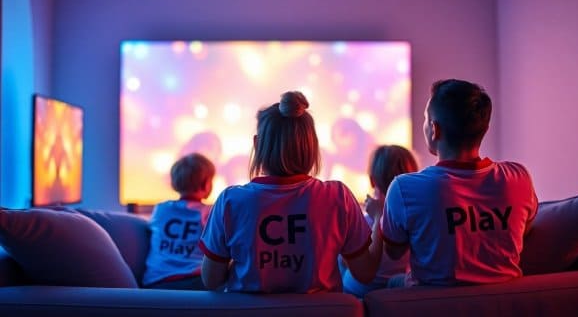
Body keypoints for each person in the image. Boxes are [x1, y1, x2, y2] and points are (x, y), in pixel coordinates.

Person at [199, 91, 382, 293]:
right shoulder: (339, 197)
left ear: (257, 145)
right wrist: (379, 217)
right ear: (312, 146)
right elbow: (365, 273)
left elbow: (211, 280)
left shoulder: (230, 201)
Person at [381, 79, 538, 287]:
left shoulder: (404, 188)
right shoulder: (519, 178)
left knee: (391, 283)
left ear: (434, 129)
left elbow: (394, 251)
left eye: (426, 119)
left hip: (432, 303)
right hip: (503, 301)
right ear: (484, 128)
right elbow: (524, 231)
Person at [342, 145, 418, 297]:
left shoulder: (366, 222)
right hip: (401, 288)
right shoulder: (416, 217)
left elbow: (352, 263)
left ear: (372, 180)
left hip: (360, 291)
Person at [142, 153, 215, 289]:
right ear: (206, 184)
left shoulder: (161, 209)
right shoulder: (210, 212)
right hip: (195, 281)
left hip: (155, 282)